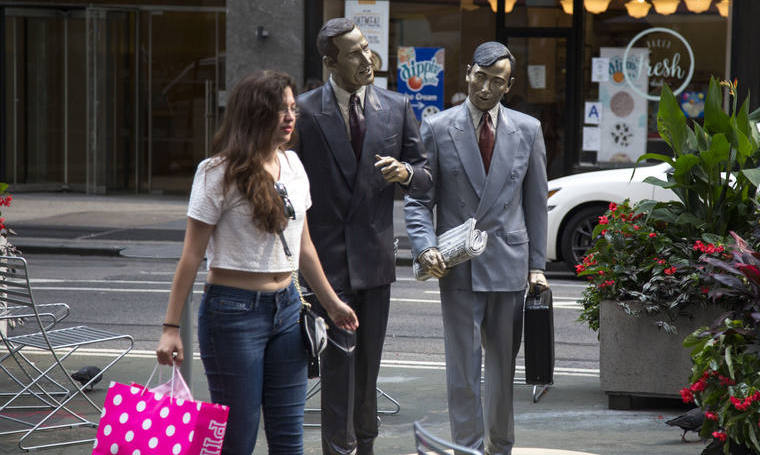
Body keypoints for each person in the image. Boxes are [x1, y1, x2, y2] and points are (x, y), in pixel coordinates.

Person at [155, 69, 359, 455]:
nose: (289, 117)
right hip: (232, 314)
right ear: (252, 114)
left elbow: (305, 247)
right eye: (278, 109)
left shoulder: (295, 166)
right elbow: (191, 257)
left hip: (288, 310)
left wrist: (331, 303)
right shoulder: (217, 172)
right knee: (237, 437)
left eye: (292, 108)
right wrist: (170, 327)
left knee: (288, 438)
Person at [404, 41, 549, 455]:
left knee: (503, 369)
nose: (485, 88)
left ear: (509, 85)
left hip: (509, 261)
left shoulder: (528, 130)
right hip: (458, 265)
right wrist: (424, 246)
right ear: (467, 72)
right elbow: (418, 199)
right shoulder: (437, 127)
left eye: (496, 81)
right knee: (463, 370)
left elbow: (535, 203)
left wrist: (537, 266)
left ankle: (500, 447)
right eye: (479, 77)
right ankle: (467, 447)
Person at [295, 18, 431, 455]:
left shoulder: (395, 107)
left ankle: (365, 447)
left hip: (374, 262)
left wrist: (407, 173)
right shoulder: (305, 112)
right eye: (353, 52)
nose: (366, 59)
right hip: (327, 264)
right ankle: (339, 449)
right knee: (337, 368)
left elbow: (427, 176)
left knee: (368, 370)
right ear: (330, 61)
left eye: (367, 48)